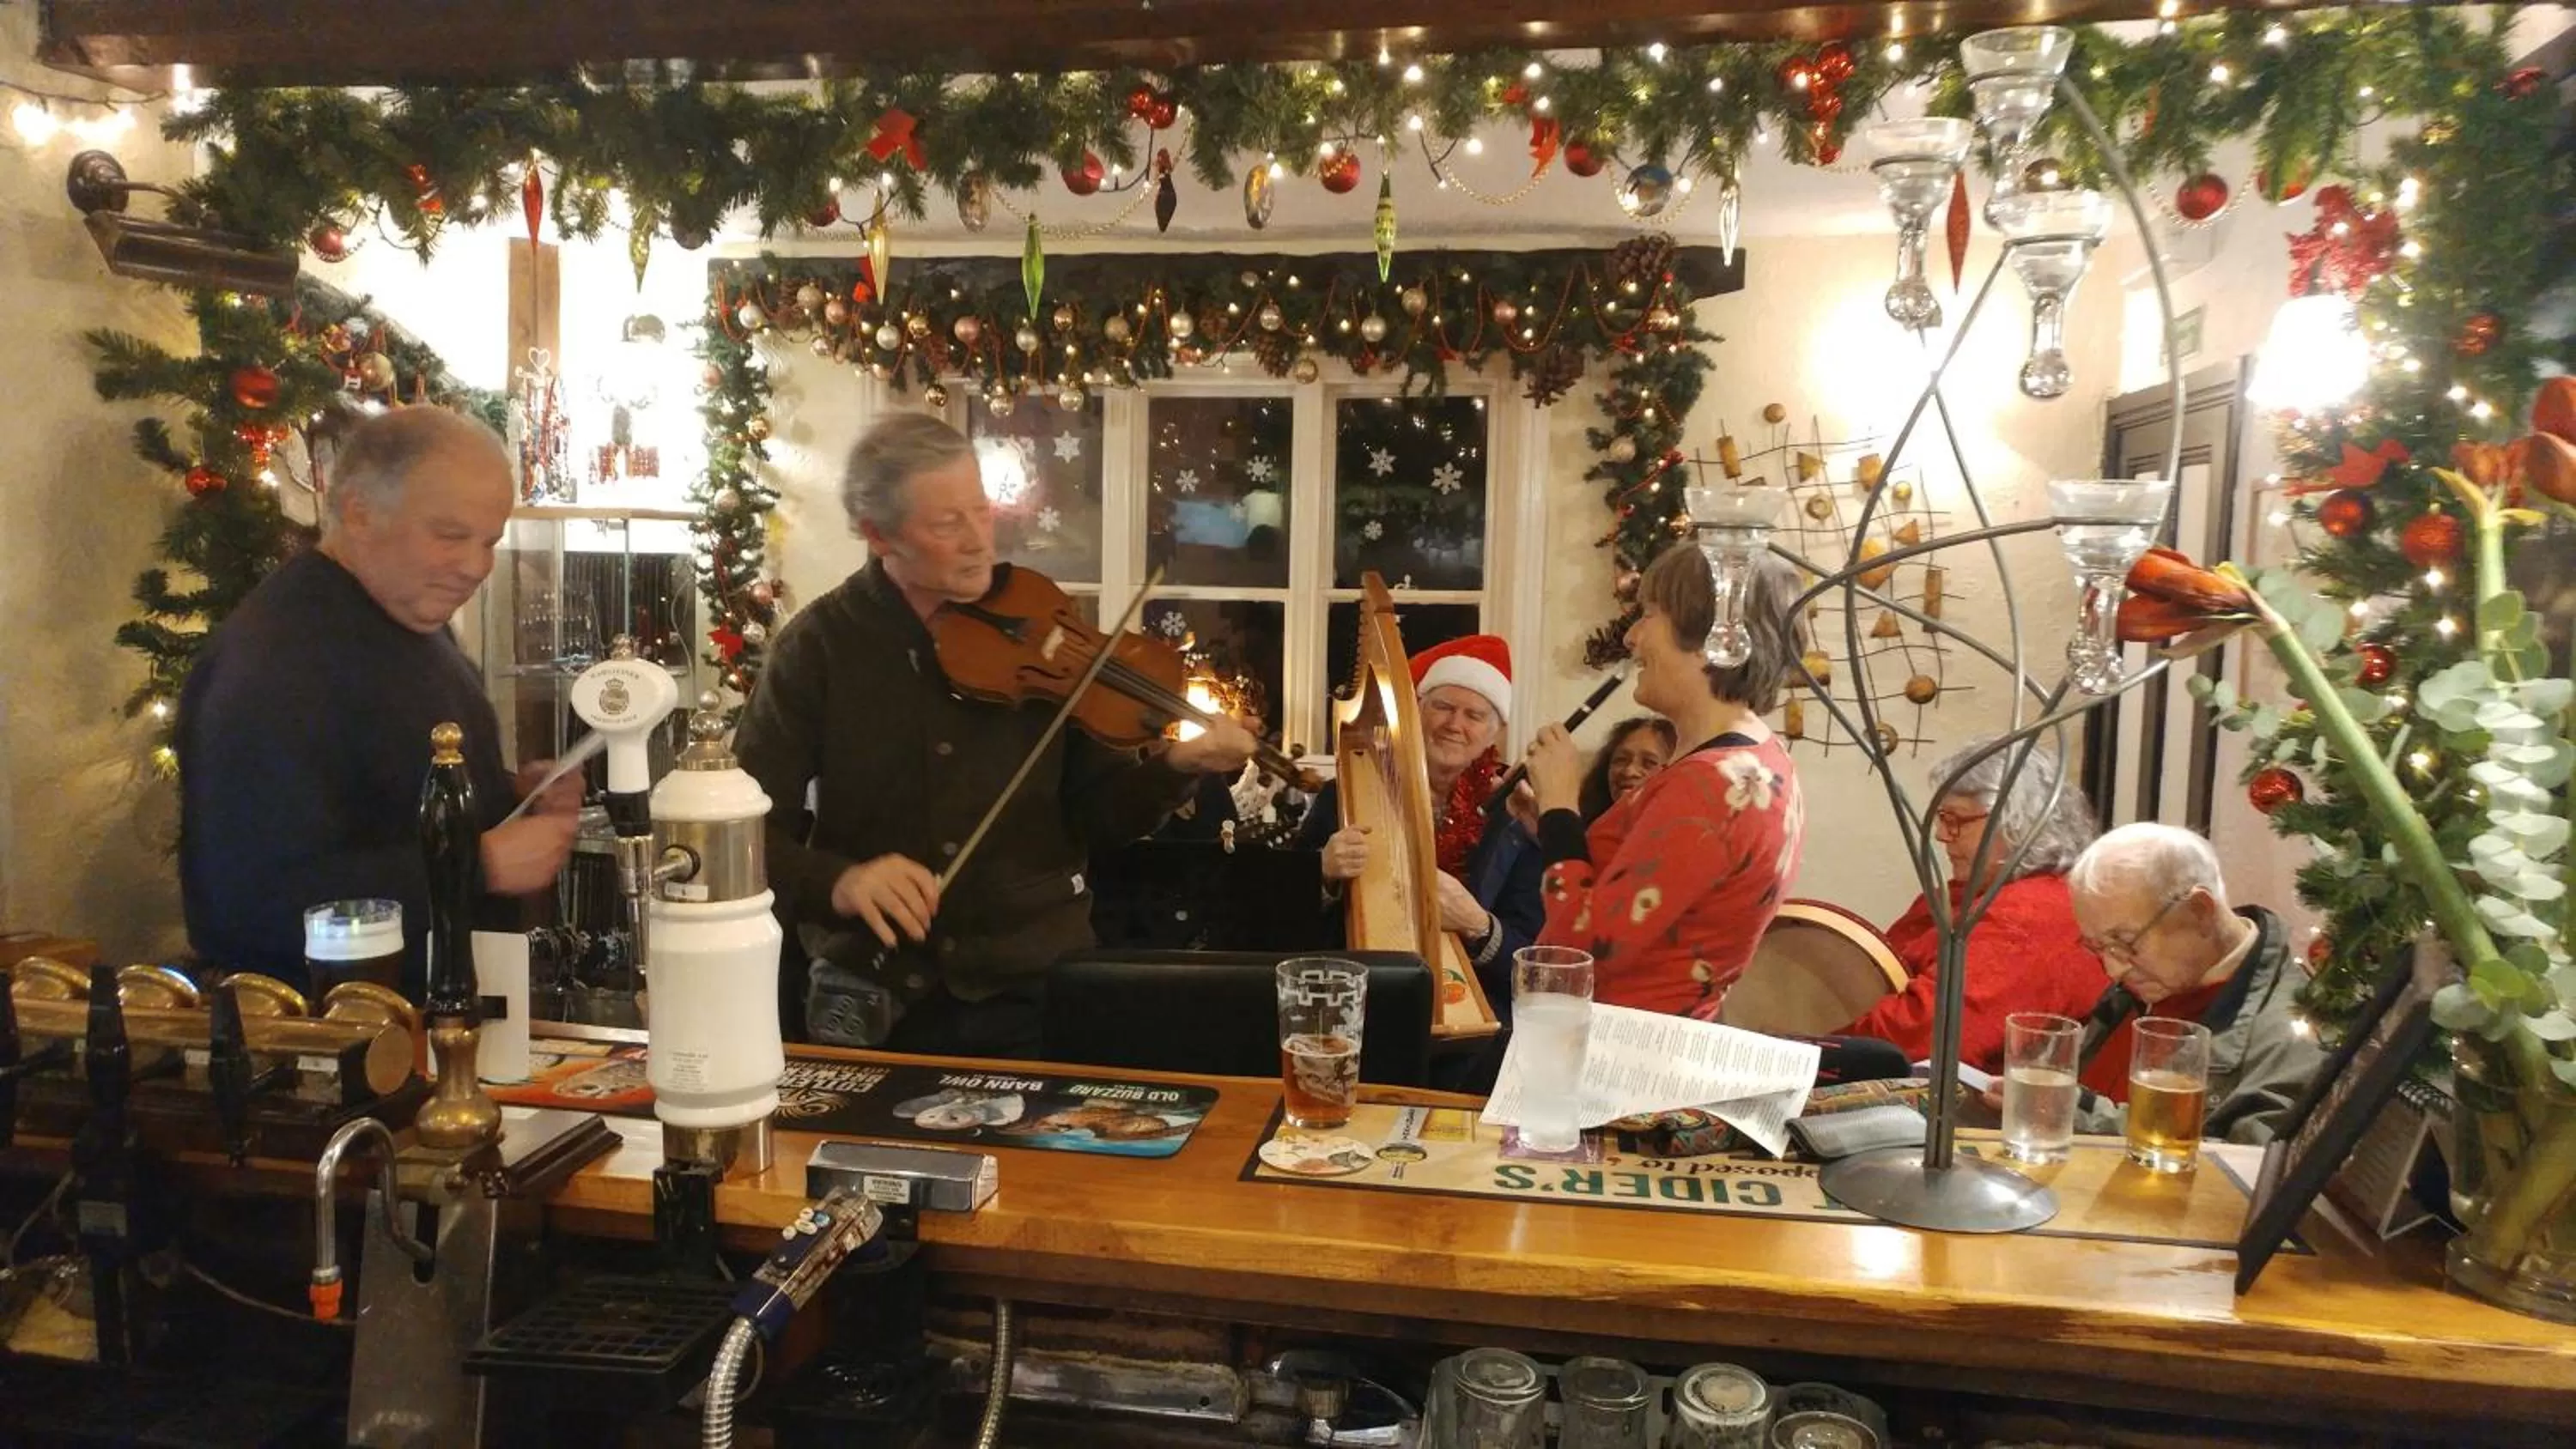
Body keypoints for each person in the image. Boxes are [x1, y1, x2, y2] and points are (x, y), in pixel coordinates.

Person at [733, 413, 1255, 1058]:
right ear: (878, 535)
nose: (980, 540)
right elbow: (743, 828)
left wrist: (1177, 765)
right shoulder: (818, 648)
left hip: (1034, 990)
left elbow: (1097, 814)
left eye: (981, 511)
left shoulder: (1040, 623)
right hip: (883, 994)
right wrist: (838, 881)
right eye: (947, 524)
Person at [178, 409, 581, 1001]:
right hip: (331, 1045)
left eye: (489, 540)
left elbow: (386, 788)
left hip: (433, 1024)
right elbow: (249, 904)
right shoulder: (276, 660)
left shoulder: (404, 616)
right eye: (449, 536)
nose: (476, 567)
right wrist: (479, 864)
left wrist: (510, 796)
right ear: (360, 512)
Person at [1520, 548, 1807, 1016]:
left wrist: (1560, 808)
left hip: (1623, 1055)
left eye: (1649, 615)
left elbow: (1578, 948)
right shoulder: (1764, 758)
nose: (1632, 637)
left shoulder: (1713, 785)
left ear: (1712, 641)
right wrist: (1550, 824)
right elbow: (1655, 894)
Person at [1838, 739, 2108, 1076]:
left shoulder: (2029, 917)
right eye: (1941, 817)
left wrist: (1804, 1044)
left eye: (1956, 820)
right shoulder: (1970, 894)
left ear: (2017, 824)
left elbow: (1926, 1036)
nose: (1941, 835)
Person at [1296, 635, 1543, 994]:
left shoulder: (1515, 814)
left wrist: (1478, 926)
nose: (1454, 724)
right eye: (1443, 707)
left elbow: (1533, 962)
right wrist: (1322, 874)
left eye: (1474, 715)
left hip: (1478, 1021)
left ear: (1494, 732)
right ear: (1416, 710)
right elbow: (1281, 916)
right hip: (1355, 995)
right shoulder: (1344, 793)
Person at [2060, 822, 2326, 1143]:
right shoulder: (2149, 983)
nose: (2113, 969)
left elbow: (2244, 1172)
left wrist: (2072, 1111)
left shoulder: (2293, 1030)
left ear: (2200, 912)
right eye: (2098, 947)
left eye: (2126, 942)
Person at [1579, 715, 1678, 822]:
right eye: (1621, 760)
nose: (1629, 772)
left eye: (1649, 763)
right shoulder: (1582, 830)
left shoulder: (1687, 835)